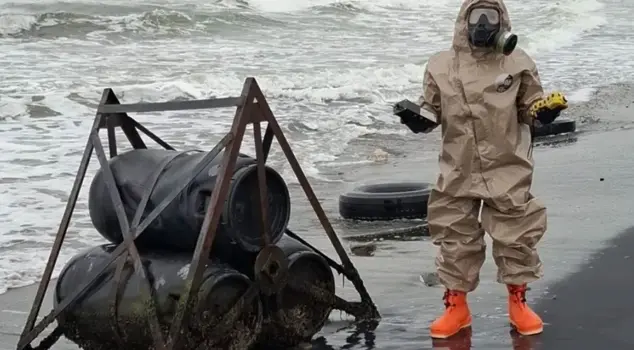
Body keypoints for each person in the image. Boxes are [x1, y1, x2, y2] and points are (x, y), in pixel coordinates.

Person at [416, 0, 568, 339]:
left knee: (517, 233)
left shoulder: (517, 62)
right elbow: (431, 110)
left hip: (506, 164)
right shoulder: (441, 65)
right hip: (458, 166)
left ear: (503, 21)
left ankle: (519, 301)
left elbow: (531, 104)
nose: (483, 25)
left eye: (491, 17)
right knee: (454, 235)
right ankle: (456, 306)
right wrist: (417, 118)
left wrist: (542, 112)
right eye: (477, 17)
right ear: (463, 21)